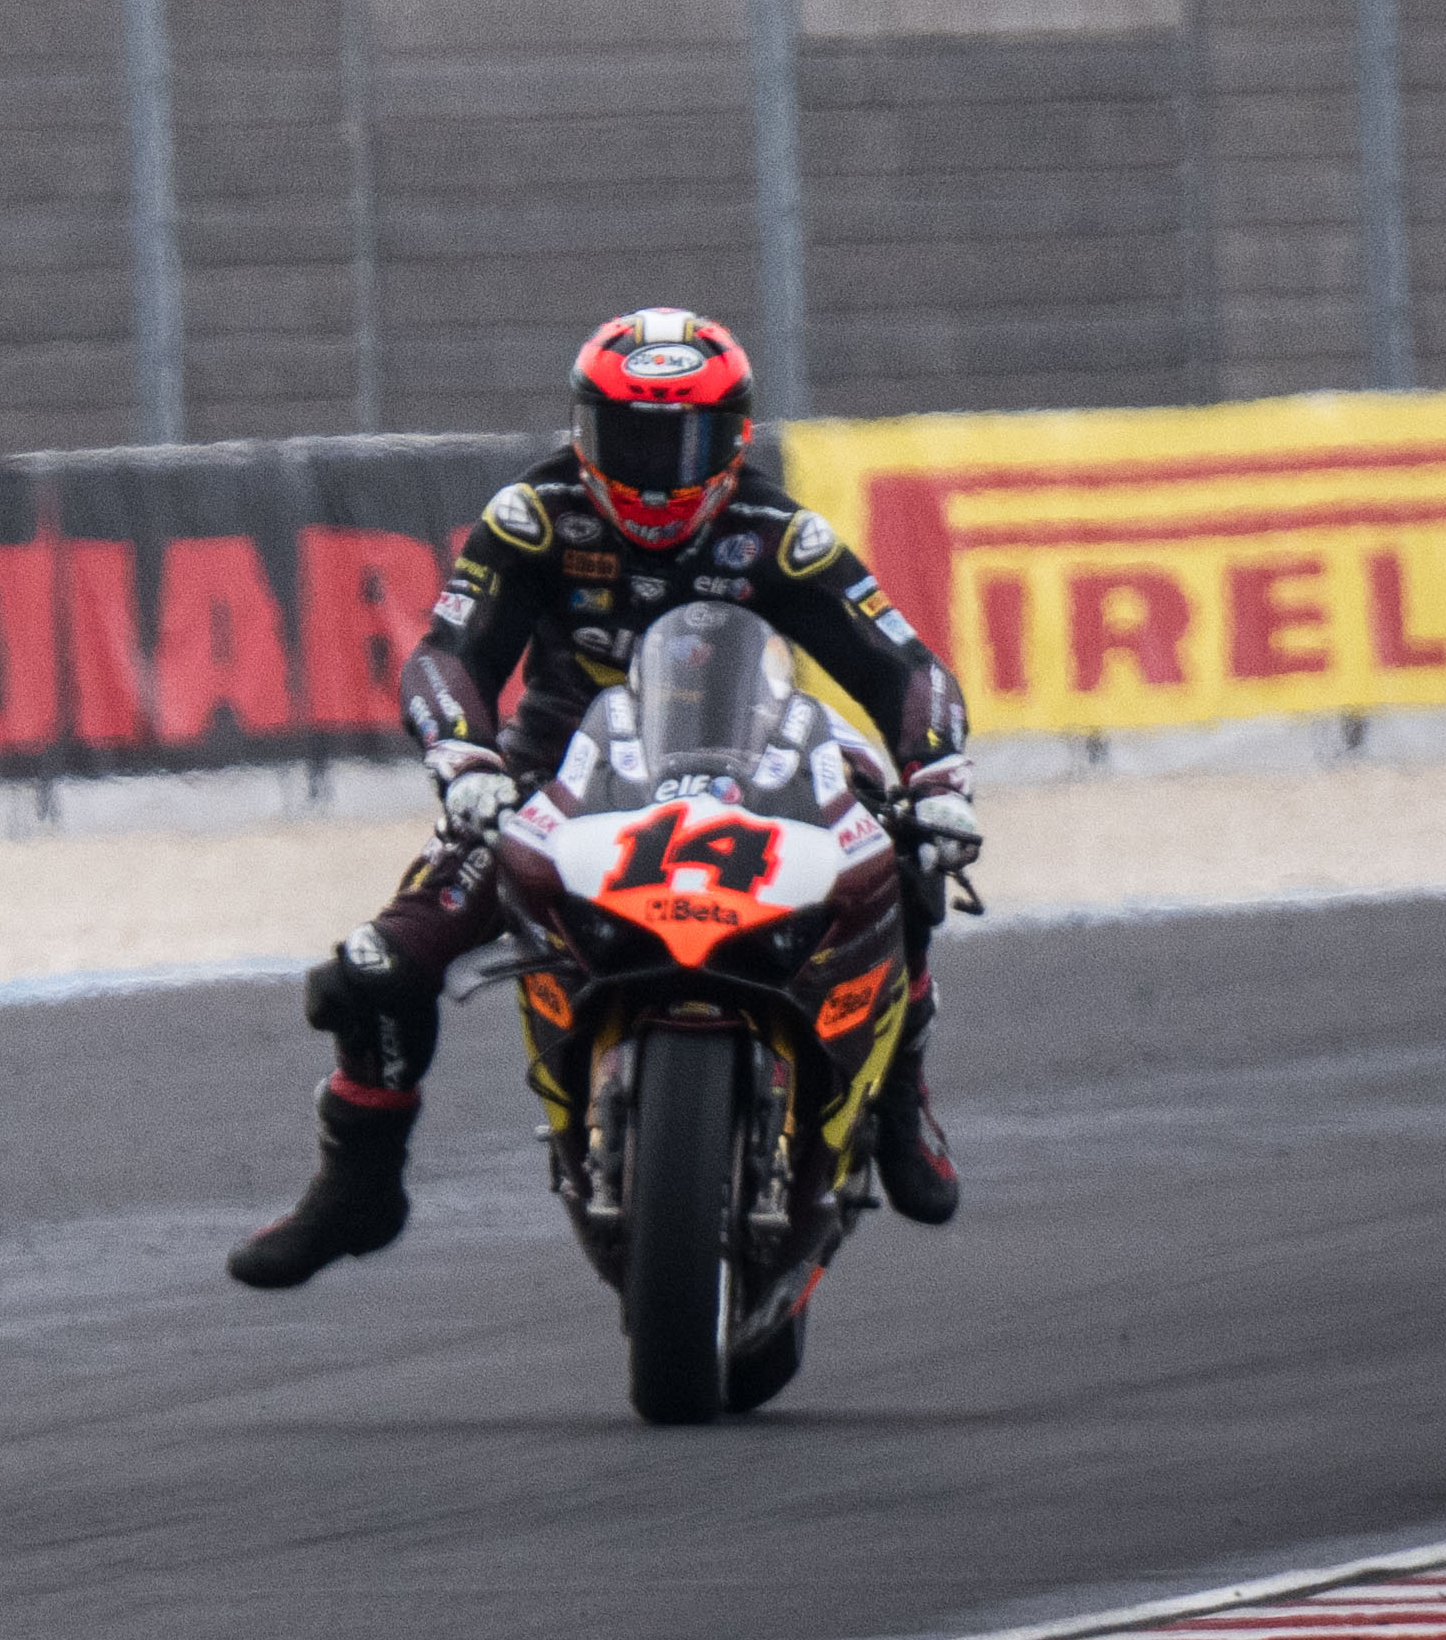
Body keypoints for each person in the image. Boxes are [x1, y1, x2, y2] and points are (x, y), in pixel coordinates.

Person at [227, 306, 987, 1290]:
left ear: (734, 441)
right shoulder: (536, 516)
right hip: (564, 779)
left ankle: (897, 1093)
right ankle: (358, 1185)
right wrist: (467, 762)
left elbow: (906, 665)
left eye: (683, 443)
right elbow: (445, 654)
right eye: (627, 438)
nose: (655, 473)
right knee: (370, 974)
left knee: (903, 842)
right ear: (581, 430)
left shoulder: (780, 535)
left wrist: (938, 779)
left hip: (753, 771)